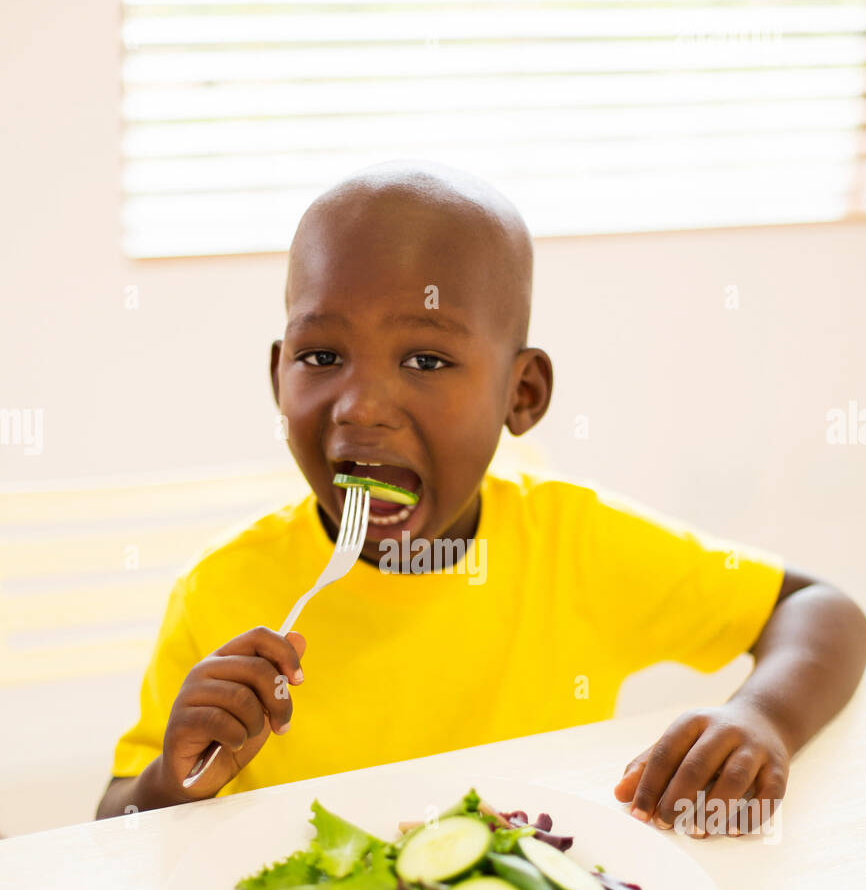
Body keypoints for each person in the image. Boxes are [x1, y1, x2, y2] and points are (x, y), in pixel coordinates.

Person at [96, 164, 866, 836]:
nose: (361, 406)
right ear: (277, 376)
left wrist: (761, 717)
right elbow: (115, 824)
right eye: (321, 355)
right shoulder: (222, 591)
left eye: (426, 358)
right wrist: (173, 779)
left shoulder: (576, 545)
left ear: (520, 393)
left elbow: (822, 611)